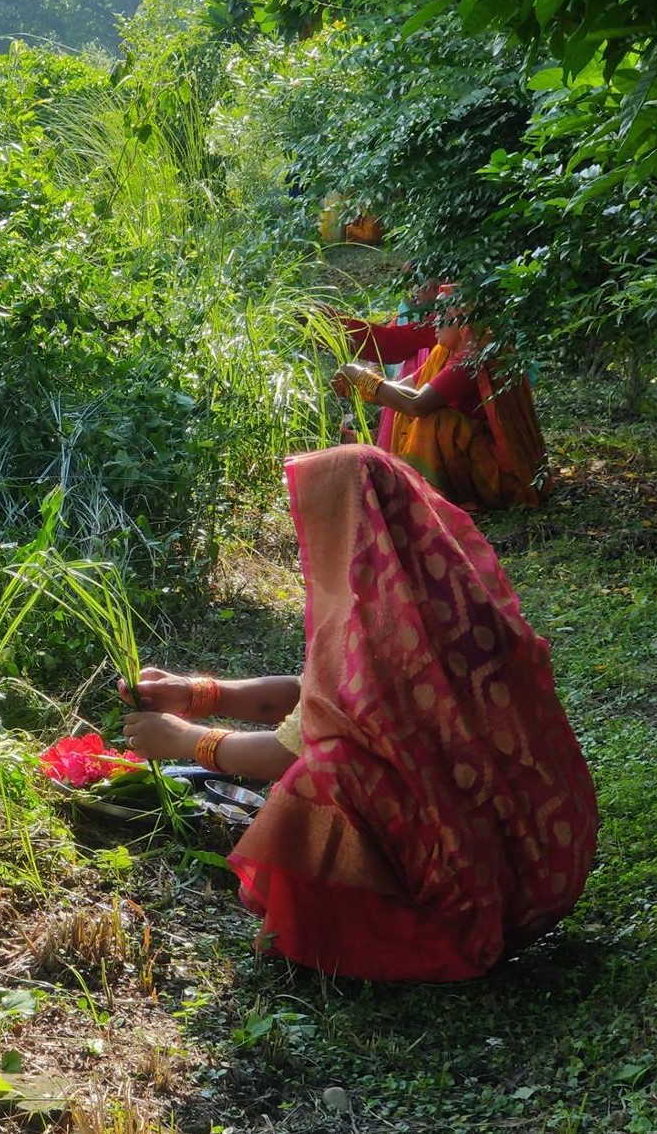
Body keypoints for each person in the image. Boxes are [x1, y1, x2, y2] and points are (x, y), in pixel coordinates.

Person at [119, 446, 598, 982]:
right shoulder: (436, 591)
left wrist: (187, 741)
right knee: (340, 756)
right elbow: (324, 696)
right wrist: (200, 693)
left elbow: (296, 748)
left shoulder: (382, 628)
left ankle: (369, 932)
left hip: (458, 889)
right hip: (521, 862)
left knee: (327, 774)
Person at [329, 287, 551, 509]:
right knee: (401, 404)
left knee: (436, 421)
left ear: (462, 323)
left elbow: (417, 404)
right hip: (468, 457)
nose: (434, 322)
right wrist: (359, 384)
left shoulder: (472, 357)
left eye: (442, 316)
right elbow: (404, 388)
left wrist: (365, 378)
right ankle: (411, 486)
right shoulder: (444, 352)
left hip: (498, 472)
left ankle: (421, 497)